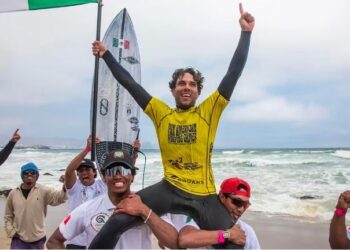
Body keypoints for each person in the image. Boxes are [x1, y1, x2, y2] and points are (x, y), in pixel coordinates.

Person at [90, 3, 254, 249]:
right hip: (170, 187)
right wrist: (106, 54)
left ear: (198, 91)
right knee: (119, 217)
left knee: (235, 243)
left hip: (205, 195)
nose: (186, 86)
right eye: (181, 83)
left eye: (191, 84)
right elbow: (130, 84)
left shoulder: (210, 110)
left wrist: (246, 34)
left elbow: (233, 73)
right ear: (173, 89)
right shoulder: (160, 112)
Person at [46, 150, 179, 249]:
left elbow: (174, 243)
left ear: (132, 176)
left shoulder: (149, 205)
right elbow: (53, 241)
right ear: (104, 177)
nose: (117, 176)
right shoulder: (88, 209)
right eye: (111, 171)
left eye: (124, 170)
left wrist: (143, 211)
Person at [63, 135, 141, 248]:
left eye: (87, 169)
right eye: (80, 170)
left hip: (96, 239)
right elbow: (69, 171)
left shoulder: (102, 184)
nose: (84, 172)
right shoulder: (74, 187)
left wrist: (134, 153)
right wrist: (87, 149)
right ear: (77, 174)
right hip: (76, 242)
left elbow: (123, 172)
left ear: (95, 172)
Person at [177, 177, 260, 249]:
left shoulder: (246, 231)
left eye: (245, 205)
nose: (241, 209)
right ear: (222, 196)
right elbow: (185, 240)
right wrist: (227, 235)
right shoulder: (200, 218)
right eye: (237, 202)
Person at [4, 162, 67, 249]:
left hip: (38, 239)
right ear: (22, 176)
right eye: (26, 173)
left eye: (33, 173)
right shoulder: (13, 193)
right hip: (18, 239)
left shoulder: (43, 191)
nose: (29, 175)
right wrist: (11, 231)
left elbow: (59, 198)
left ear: (36, 176)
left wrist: (65, 186)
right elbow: (8, 215)